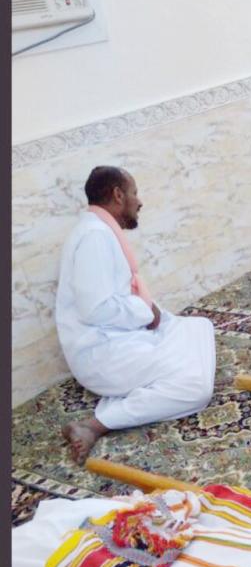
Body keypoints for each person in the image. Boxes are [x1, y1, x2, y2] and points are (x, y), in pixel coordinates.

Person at [56, 166, 216, 463]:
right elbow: (95, 309)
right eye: (134, 193)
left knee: (199, 327)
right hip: (102, 353)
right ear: (118, 195)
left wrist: (150, 311)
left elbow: (117, 297)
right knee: (196, 388)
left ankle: (144, 386)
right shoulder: (94, 237)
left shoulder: (100, 230)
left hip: (121, 336)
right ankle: (95, 425)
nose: (139, 201)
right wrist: (145, 311)